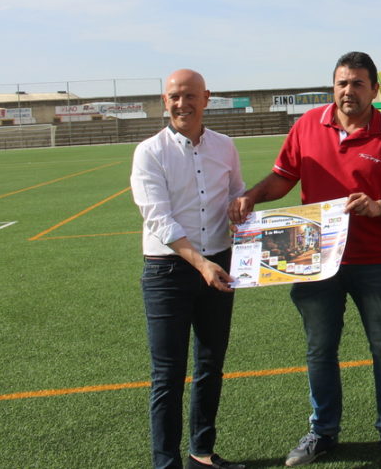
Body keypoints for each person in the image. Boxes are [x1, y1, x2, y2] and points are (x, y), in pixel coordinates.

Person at [228, 52, 381, 468]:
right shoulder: (306, 126)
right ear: (332, 87)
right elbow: (283, 178)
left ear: (373, 89)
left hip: (372, 261)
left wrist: (379, 207)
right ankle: (322, 431)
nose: (348, 91)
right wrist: (252, 196)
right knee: (320, 349)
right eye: (341, 83)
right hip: (312, 260)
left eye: (357, 84)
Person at [130, 68, 246, 469]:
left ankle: (202, 454)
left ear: (206, 97)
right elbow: (158, 220)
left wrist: (243, 210)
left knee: (211, 364)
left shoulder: (226, 147)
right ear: (165, 101)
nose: (182, 104)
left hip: (220, 264)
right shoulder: (150, 152)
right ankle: (167, 463)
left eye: (190, 96)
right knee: (168, 373)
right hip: (169, 271)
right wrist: (200, 264)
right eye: (174, 97)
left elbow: (236, 196)